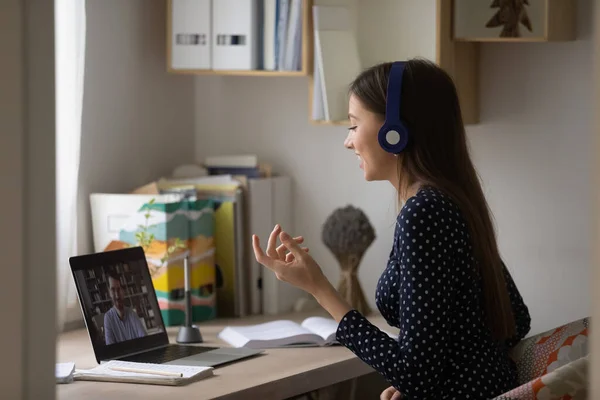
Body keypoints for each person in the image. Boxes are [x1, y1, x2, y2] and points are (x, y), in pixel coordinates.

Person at [252, 59, 531, 399]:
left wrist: (319, 288)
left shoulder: (424, 214)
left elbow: (417, 373)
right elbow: (515, 320)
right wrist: (425, 379)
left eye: (354, 125)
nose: (348, 142)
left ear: (394, 131)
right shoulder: (453, 200)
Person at [103, 270, 147, 345]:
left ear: (123, 291)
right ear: (109, 292)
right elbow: (111, 349)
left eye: (119, 289)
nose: (117, 295)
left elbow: (145, 339)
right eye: (113, 290)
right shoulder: (108, 318)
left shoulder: (132, 313)